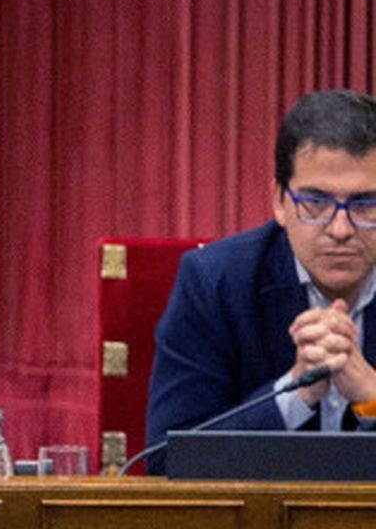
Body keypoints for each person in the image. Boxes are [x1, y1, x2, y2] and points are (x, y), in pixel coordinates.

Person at [146, 89, 376, 473]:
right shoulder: (215, 283)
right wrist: (297, 391)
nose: (340, 229)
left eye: (365, 205)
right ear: (279, 202)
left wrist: (372, 397)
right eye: (315, 203)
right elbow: (168, 460)